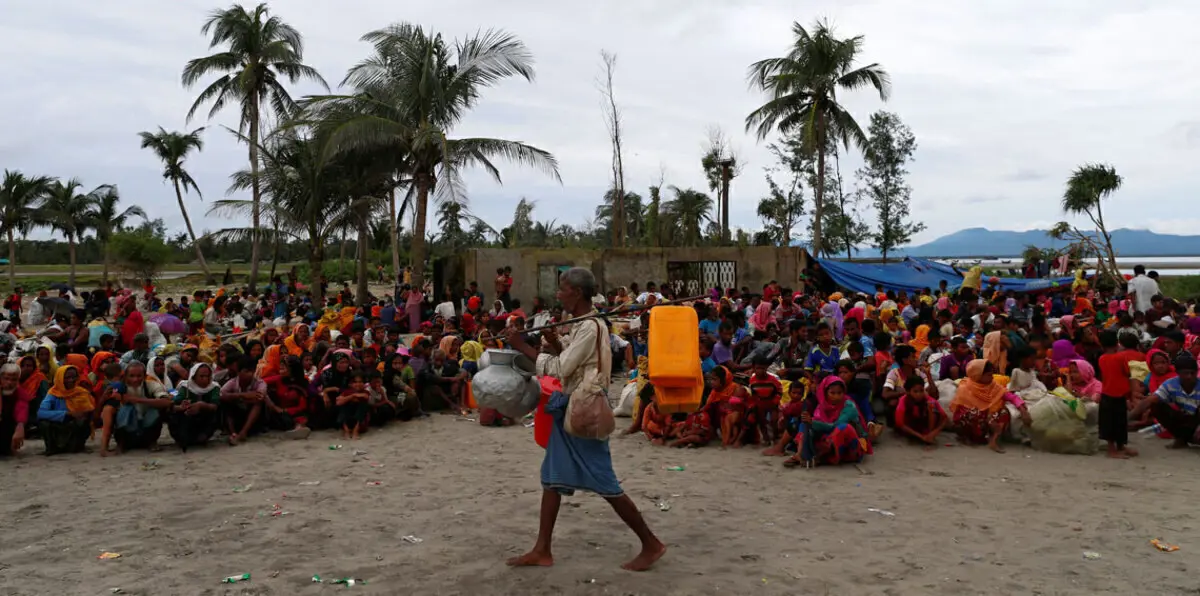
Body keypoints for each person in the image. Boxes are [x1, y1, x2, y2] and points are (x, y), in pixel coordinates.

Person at [503, 266, 664, 572]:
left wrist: (522, 346)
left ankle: (651, 543)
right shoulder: (581, 324)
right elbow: (574, 358)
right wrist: (553, 341)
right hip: (569, 405)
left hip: (584, 410)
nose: (558, 294)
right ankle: (542, 549)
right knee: (551, 478)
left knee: (606, 482)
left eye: (562, 289)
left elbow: (562, 369)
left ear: (576, 293)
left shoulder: (590, 326)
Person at [783, 376, 870, 468]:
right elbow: (818, 426)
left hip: (848, 445)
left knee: (843, 428)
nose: (836, 396)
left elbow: (835, 426)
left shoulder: (849, 405)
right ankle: (800, 454)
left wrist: (812, 422)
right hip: (827, 439)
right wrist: (809, 422)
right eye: (832, 393)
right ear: (825, 392)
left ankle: (821, 458)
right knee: (804, 424)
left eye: (839, 393)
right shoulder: (821, 407)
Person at [949, 361, 1030, 453]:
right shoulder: (965, 387)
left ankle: (994, 440)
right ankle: (967, 438)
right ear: (978, 375)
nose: (992, 377)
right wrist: (987, 416)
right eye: (988, 375)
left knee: (1004, 412)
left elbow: (1011, 397)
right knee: (972, 412)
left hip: (988, 423)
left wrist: (1023, 410)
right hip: (973, 423)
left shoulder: (994, 386)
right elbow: (959, 413)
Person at [103, 361, 172, 456]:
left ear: (144, 376)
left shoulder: (151, 385)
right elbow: (106, 411)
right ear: (126, 376)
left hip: (146, 428)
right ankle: (121, 443)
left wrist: (136, 400)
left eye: (139, 376)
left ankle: (151, 441)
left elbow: (166, 402)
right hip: (128, 430)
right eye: (131, 376)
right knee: (125, 409)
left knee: (155, 410)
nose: (135, 379)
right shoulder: (119, 388)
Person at [1132, 354, 1200, 449]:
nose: (1189, 376)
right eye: (1186, 373)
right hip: (1184, 417)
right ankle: (1181, 438)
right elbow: (1149, 400)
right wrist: (1127, 418)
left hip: (1196, 419)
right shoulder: (1170, 384)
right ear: (1178, 373)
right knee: (1155, 405)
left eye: (1192, 373)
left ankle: (1187, 438)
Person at [1096, 330, 1141, 459]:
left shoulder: (1102, 358)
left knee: (1109, 423)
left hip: (1107, 394)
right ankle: (1115, 449)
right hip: (1120, 394)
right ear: (1117, 343)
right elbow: (1128, 373)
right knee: (1119, 422)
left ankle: (1115, 448)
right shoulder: (1121, 357)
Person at [38, 365, 94, 455]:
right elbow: (41, 413)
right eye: (67, 377)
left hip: (74, 425)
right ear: (60, 378)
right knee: (44, 423)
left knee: (83, 421)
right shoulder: (53, 393)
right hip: (58, 424)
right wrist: (67, 414)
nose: (71, 380)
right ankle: (52, 448)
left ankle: (77, 446)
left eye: (73, 377)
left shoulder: (81, 392)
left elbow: (89, 410)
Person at [168, 363, 221, 451]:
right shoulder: (186, 387)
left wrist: (201, 405)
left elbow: (214, 406)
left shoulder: (214, 387)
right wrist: (181, 407)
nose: (205, 379)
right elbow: (173, 405)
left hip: (204, 420)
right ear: (193, 376)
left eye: (207, 376)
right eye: (202, 376)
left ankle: (203, 436)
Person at [219, 356, 267, 446]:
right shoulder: (232, 382)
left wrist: (237, 398)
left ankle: (243, 432)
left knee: (258, 403)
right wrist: (243, 395)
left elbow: (259, 397)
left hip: (253, 420)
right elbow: (221, 395)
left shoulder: (259, 383)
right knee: (225, 403)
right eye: (246, 371)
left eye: (252, 371)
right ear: (239, 372)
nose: (250, 374)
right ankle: (233, 432)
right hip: (237, 416)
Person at [894, 375, 947, 446]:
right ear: (908, 391)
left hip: (924, 426)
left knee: (932, 408)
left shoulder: (929, 400)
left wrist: (934, 433)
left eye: (921, 390)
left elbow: (945, 418)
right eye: (915, 391)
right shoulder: (903, 401)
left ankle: (929, 435)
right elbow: (900, 423)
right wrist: (921, 437)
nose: (919, 394)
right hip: (910, 428)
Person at [0, 363, 30, 456]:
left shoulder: (20, 393)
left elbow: (22, 409)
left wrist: (20, 426)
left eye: (14, 380)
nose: (10, 383)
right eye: (6, 379)